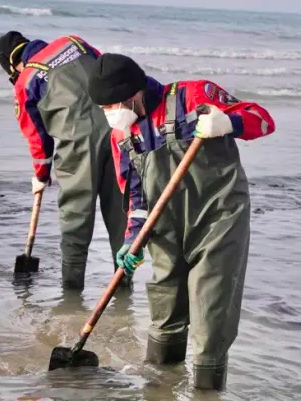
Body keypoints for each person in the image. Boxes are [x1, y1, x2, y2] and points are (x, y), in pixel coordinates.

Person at [87, 53, 276, 390]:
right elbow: (136, 199)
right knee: (165, 314)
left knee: (210, 314)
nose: (108, 114)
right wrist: (133, 239)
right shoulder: (122, 138)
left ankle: (206, 391)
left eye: (110, 106)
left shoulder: (194, 96)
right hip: (166, 230)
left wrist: (228, 124)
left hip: (218, 220)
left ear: (132, 94)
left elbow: (262, 119)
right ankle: (159, 389)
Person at [0, 32, 128, 290]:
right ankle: (123, 285)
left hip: (77, 148)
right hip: (118, 131)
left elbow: (38, 139)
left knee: (76, 220)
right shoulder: (74, 42)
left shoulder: (26, 81)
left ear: (13, 66)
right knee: (121, 215)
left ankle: (71, 292)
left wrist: (41, 176)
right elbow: (107, 73)